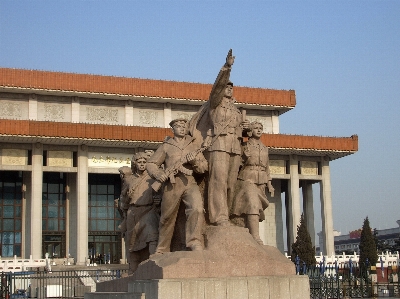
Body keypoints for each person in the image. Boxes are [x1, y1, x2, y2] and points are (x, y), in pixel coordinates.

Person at [188, 49, 250, 226]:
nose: (229, 89)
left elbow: (240, 129)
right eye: (226, 87)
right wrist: (227, 67)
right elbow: (216, 87)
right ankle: (218, 216)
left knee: (231, 183)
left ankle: (228, 214)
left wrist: (246, 129)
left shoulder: (236, 110)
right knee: (218, 181)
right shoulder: (214, 104)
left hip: (234, 147)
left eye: (231, 87)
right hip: (219, 144)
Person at [146, 118, 208, 253]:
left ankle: (194, 242)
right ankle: (162, 248)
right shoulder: (166, 146)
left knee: (197, 208)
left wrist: (194, 162)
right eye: (178, 126)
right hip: (171, 185)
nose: (181, 128)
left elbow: (203, 167)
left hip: (189, 182)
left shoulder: (193, 146)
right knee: (167, 217)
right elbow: (151, 164)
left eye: (183, 126)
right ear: (172, 129)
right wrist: (158, 174)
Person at [230, 121, 275, 244]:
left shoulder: (264, 148)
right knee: (253, 204)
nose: (259, 130)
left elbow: (267, 167)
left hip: (261, 181)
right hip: (247, 178)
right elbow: (234, 165)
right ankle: (255, 236)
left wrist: (269, 184)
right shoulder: (244, 146)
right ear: (250, 131)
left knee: (257, 208)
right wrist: (244, 157)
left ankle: (248, 232)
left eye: (261, 128)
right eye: (256, 128)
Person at [118, 152, 160, 274]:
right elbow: (123, 199)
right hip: (133, 213)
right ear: (135, 164)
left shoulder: (153, 178)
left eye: (144, 162)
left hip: (149, 210)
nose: (142, 165)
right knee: (132, 243)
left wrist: (158, 200)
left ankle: (154, 264)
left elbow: (161, 194)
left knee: (152, 234)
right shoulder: (130, 180)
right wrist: (124, 204)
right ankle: (133, 269)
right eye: (139, 162)